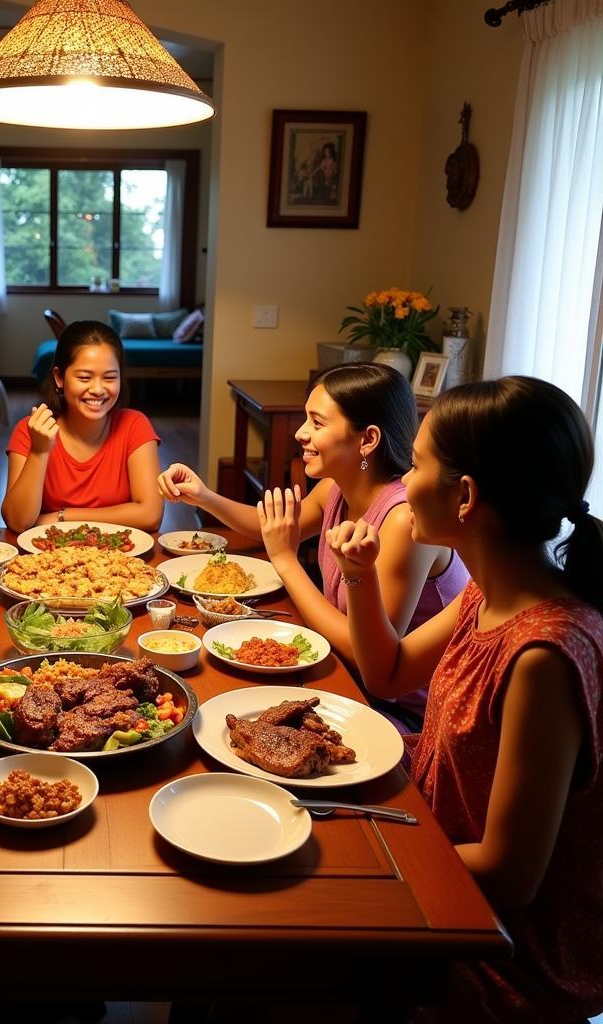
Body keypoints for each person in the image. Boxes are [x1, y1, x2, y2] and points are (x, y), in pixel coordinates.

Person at [327, 376, 603, 1022]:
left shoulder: (545, 654)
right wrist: (361, 581)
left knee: (275, 953)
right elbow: (389, 673)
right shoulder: (489, 591)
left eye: (418, 464)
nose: (404, 480)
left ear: (467, 497)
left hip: (498, 951)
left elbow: (510, 876)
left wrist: (373, 851)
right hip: (436, 859)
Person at [158, 363, 467, 728]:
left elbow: (365, 655)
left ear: (367, 439)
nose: (301, 433)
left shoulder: (402, 519)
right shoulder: (336, 487)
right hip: (344, 674)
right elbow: (271, 528)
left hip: (401, 712)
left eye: (317, 423)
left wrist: (286, 561)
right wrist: (204, 496)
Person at [1, 320, 164, 533]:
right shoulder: (30, 430)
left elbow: (150, 515)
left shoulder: (135, 426)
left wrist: (62, 517)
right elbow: (17, 521)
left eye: (110, 377)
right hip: (47, 559)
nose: (97, 389)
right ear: (59, 377)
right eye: (85, 377)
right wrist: (39, 451)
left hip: (122, 558)